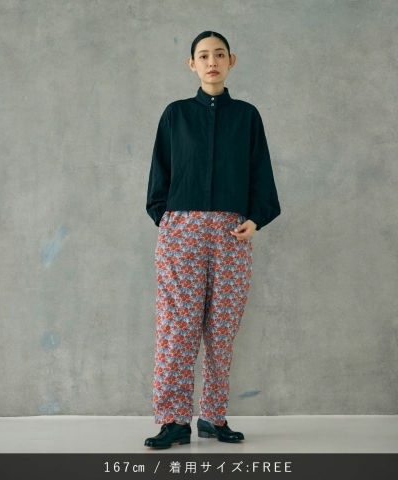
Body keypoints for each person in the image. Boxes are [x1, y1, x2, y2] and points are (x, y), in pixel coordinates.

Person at [144, 31, 281, 449]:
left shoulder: (247, 116)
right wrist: (168, 219)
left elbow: (260, 172)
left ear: (231, 60)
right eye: (203, 56)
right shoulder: (176, 114)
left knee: (222, 329)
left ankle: (213, 417)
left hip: (231, 234)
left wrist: (255, 219)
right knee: (178, 327)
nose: (212, 62)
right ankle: (173, 421)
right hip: (182, 233)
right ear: (192, 64)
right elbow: (160, 174)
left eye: (219, 54)